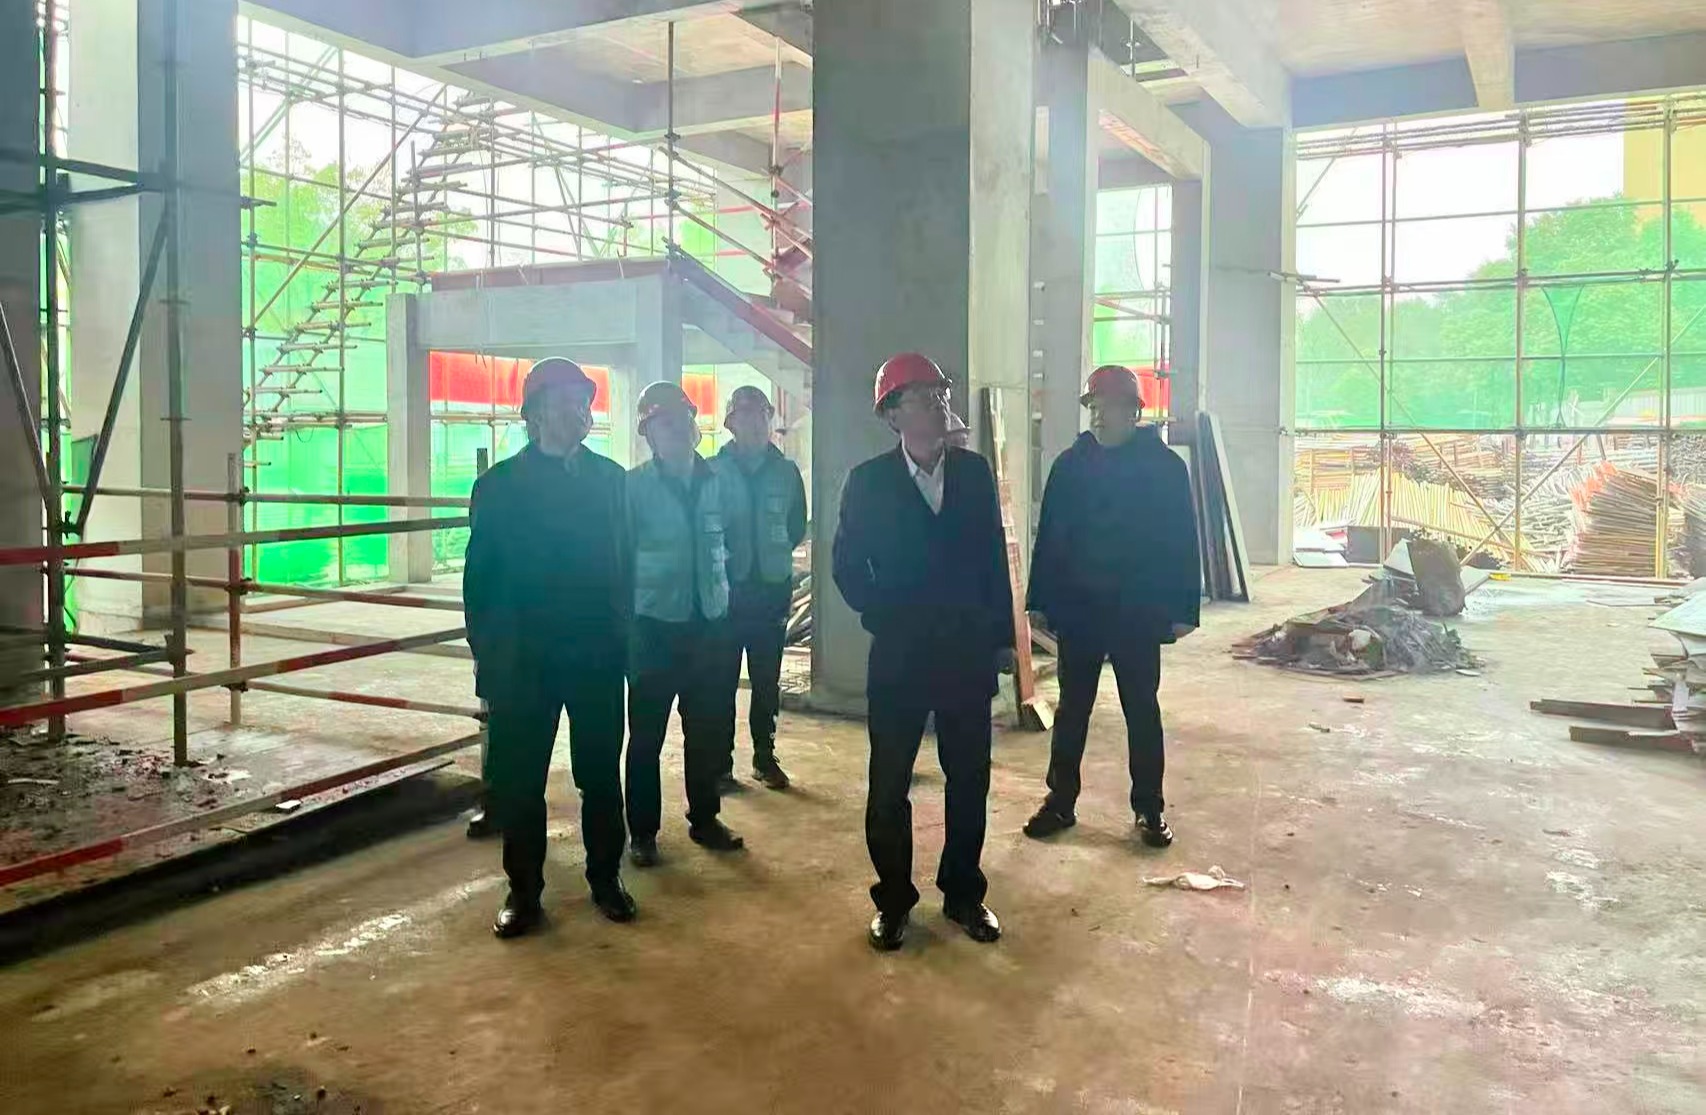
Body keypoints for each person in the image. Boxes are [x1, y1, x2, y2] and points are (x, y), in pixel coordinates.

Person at [833, 352, 1015, 952]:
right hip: (901, 658)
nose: (938, 406)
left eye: (941, 395)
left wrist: (1001, 640)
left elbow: (995, 563)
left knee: (969, 780)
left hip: (966, 655)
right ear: (892, 415)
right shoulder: (867, 482)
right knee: (889, 785)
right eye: (923, 397)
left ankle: (963, 893)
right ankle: (893, 901)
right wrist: (882, 615)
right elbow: (846, 564)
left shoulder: (975, 474)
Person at [463, 357, 636, 939]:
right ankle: (524, 891)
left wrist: (625, 642)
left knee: (600, 776)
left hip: (595, 658)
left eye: (583, 402)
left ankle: (606, 879)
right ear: (534, 414)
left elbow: (627, 567)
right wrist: (489, 660)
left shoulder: (612, 482)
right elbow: (480, 583)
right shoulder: (499, 488)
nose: (577, 412)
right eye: (563, 402)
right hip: (525, 663)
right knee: (521, 783)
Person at [1022, 364, 1200, 849]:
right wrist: (1039, 601)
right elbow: (1050, 538)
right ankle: (1060, 800)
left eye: (1109, 408)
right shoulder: (1070, 466)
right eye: (1093, 408)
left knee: (1141, 708)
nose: (1099, 417)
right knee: (1072, 708)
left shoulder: (1164, 470)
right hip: (1081, 610)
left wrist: (1184, 608)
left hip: (1137, 611)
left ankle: (1149, 807)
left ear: (1134, 412)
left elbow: (1182, 542)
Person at [623, 380, 748, 865]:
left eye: (682, 420)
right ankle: (643, 833)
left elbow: (734, 541)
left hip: (709, 624)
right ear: (648, 434)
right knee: (646, 737)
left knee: (706, 730)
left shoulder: (720, 481)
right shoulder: (633, 487)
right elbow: (621, 555)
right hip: (654, 626)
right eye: (664, 423)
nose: (676, 429)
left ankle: (705, 819)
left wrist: (727, 603)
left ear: (695, 426)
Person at [715, 385, 807, 791]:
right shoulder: (712, 471)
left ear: (769, 420)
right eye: (745, 416)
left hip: (771, 591)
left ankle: (764, 756)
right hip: (726, 593)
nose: (754, 423)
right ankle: (720, 762)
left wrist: (770, 557)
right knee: (721, 681)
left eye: (760, 416)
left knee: (766, 681)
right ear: (730, 423)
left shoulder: (786, 472)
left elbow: (795, 525)